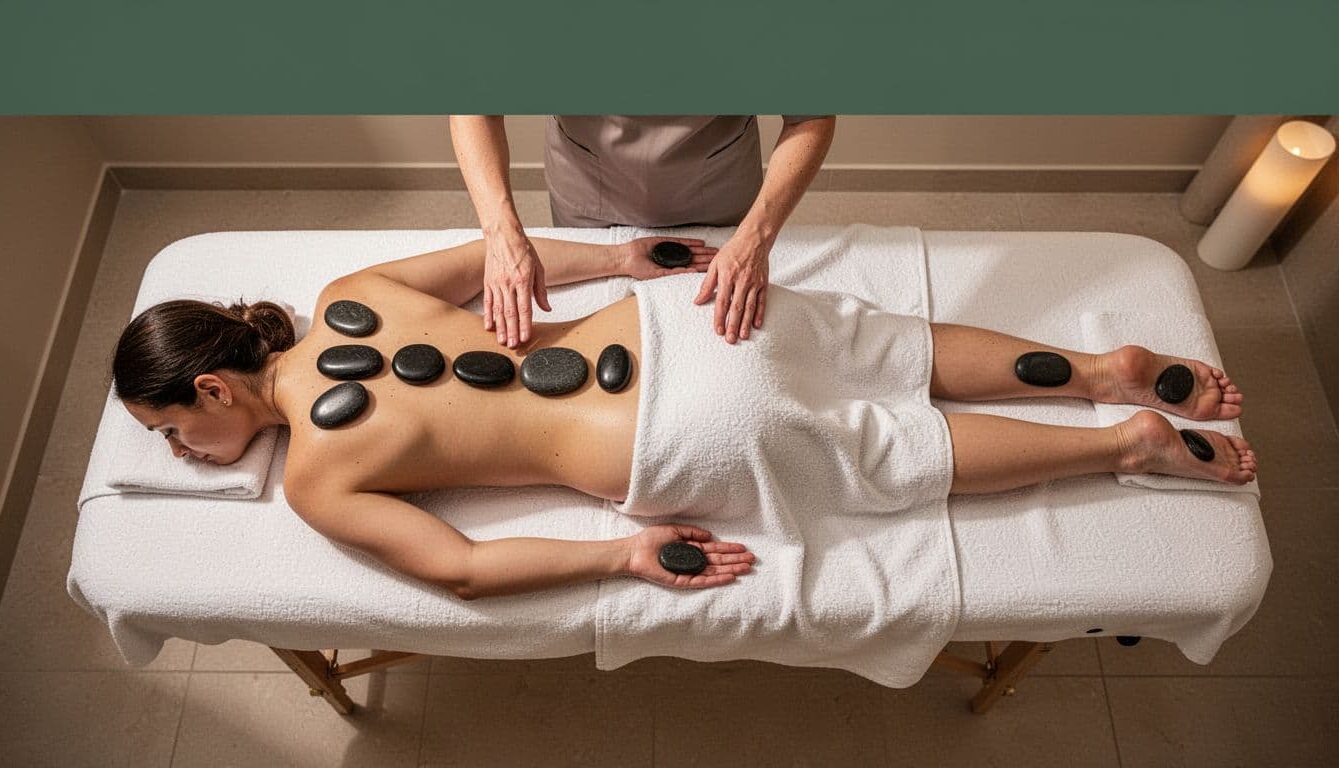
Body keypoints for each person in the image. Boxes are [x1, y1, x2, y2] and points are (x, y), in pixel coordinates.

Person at [112, 237, 1256, 600]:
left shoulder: (315, 476)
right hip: (673, 325)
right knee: (886, 344)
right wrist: (625, 255)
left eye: (170, 427)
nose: (181, 449)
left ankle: (1127, 442)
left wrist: (622, 555)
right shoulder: (347, 297)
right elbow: (502, 258)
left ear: (215, 388)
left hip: (660, 437)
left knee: (884, 448)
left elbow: (456, 570)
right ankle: (1101, 370)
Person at [449, 115, 836, 349]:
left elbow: (809, 117)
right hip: (590, 187)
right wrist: (500, 234)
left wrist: (756, 237)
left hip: (717, 186)